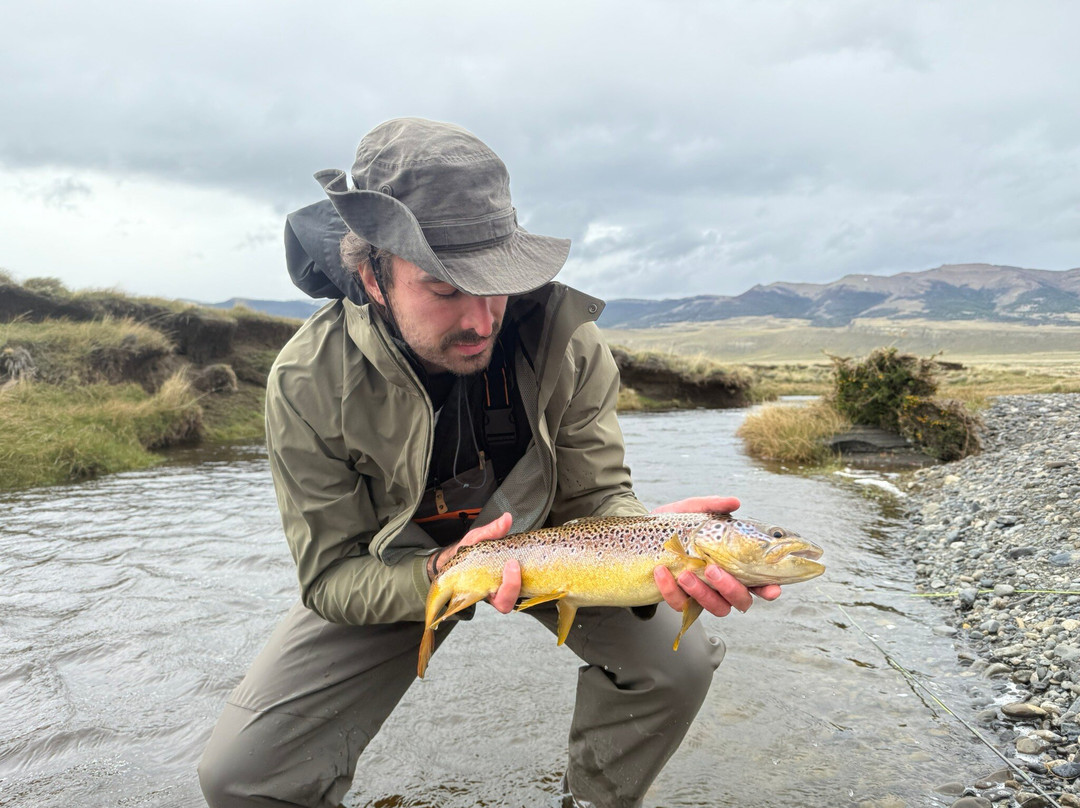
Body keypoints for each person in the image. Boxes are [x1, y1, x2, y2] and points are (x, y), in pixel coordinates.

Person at [198, 117, 781, 808]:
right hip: (403, 565)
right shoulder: (308, 382)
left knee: (675, 668)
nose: (480, 317)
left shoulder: (568, 343)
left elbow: (599, 497)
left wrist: (652, 541)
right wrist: (444, 572)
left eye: (495, 282)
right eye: (444, 288)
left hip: (552, 540)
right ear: (372, 275)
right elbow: (330, 577)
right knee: (241, 777)